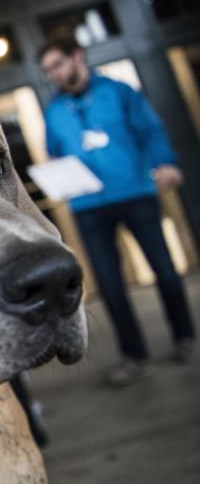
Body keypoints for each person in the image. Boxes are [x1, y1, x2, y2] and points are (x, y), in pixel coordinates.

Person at [39, 37, 196, 386]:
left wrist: (165, 162)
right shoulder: (54, 111)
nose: (54, 75)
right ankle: (134, 355)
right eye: (48, 71)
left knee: (165, 270)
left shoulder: (119, 91)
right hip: (89, 207)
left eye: (57, 66)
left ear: (77, 57)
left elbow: (150, 131)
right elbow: (54, 152)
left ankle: (185, 337)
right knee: (110, 285)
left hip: (136, 194)